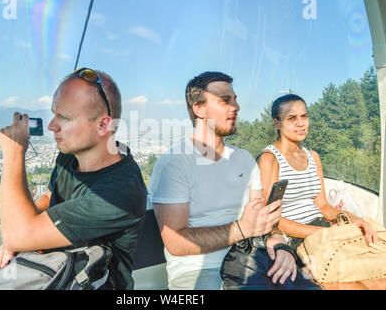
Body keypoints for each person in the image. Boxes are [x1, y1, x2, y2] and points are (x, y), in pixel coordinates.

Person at [148, 71, 318, 290]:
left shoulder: (244, 159)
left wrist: (278, 241)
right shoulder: (174, 163)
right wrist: (240, 229)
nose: (236, 107)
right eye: (225, 101)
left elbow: (262, 221)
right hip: (200, 269)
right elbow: (176, 243)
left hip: (255, 259)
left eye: (235, 100)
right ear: (199, 109)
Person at [0, 68, 147, 290]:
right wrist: (19, 232)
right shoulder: (69, 156)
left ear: (103, 125)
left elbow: (18, 234)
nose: (51, 126)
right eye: (54, 114)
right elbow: (50, 196)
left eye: (64, 117)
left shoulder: (120, 193)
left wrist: (13, 154)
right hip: (60, 275)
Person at [257, 93, 386, 290]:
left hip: (323, 229)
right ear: (277, 123)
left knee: (377, 270)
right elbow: (273, 219)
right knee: (348, 282)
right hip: (296, 238)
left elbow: (323, 206)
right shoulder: (270, 159)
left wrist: (353, 218)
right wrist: (319, 232)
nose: (301, 124)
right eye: (292, 118)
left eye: (304, 116)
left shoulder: (313, 157)